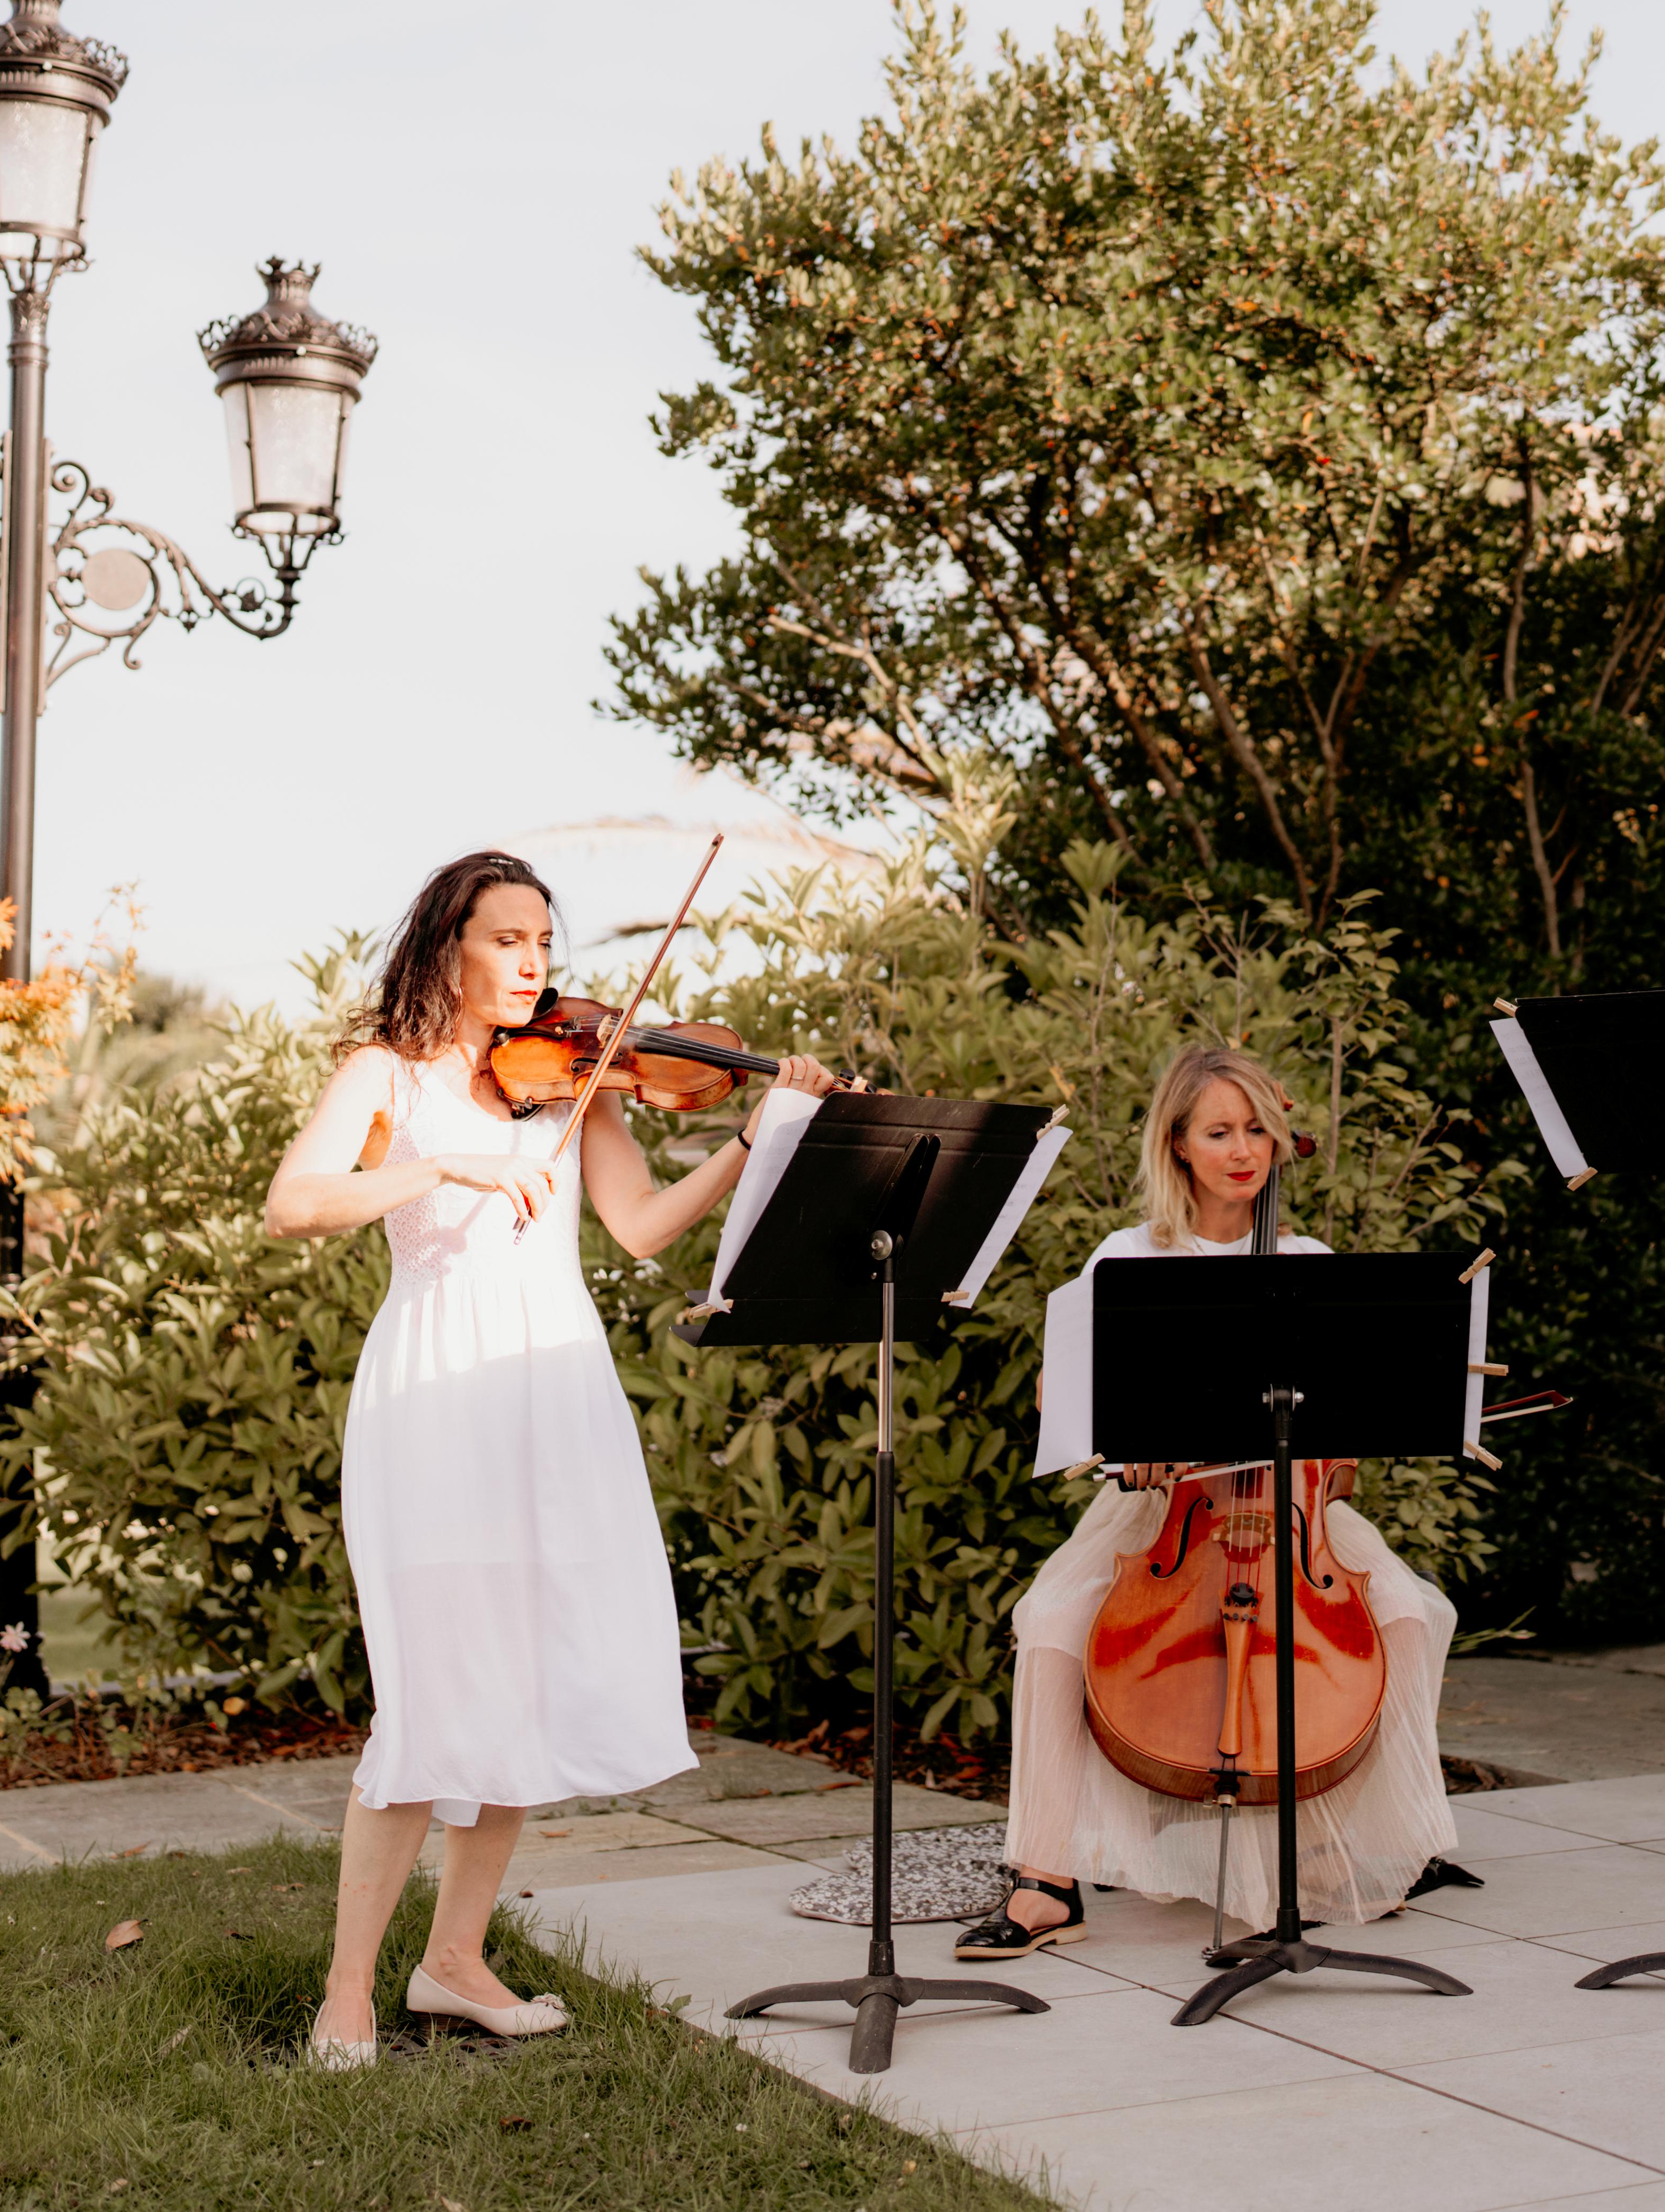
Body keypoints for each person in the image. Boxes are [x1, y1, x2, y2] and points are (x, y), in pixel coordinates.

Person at [263, 851, 832, 2065]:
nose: (533, 963)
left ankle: (453, 1960)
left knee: (522, 1672)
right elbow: (296, 1201)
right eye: (508, 939)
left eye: (543, 943)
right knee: (425, 1692)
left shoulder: (579, 1077)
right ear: (447, 947)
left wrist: (756, 1134)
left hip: (554, 1381)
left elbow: (635, 1226)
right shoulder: (388, 1072)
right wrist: (441, 1162)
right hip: (434, 1387)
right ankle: (348, 1988)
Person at [953, 1044, 1461, 1958]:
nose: (1244, 1149)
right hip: (1161, 1519)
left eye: (1258, 1129)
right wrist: (1130, 1446)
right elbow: (1061, 1394)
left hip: (1296, 1511)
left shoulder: (1308, 1259)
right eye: (1220, 1131)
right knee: (1052, 1626)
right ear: (1178, 1144)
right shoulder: (1131, 1258)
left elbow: (1345, 1435)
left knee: (1409, 1612)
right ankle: (1043, 1880)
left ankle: (1350, 1849)